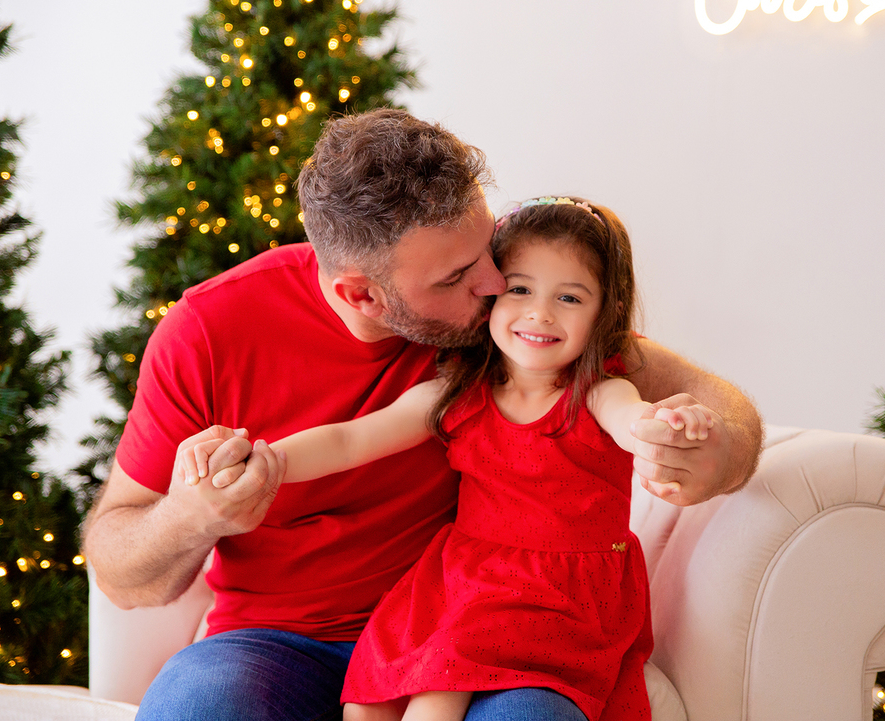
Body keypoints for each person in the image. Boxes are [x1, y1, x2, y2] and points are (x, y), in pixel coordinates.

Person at [82, 109, 764, 721]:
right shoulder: (208, 332)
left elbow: (705, 399)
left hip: (477, 622)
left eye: (487, 250)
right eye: (456, 278)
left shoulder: (508, 326)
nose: (494, 285)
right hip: (278, 644)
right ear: (363, 295)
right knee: (199, 706)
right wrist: (193, 514)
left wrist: (716, 450)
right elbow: (117, 563)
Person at [183, 196, 715, 721]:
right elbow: (351, 441)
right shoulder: (460, 393)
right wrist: (265, 459)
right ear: (490, 295)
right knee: (367, 705)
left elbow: (632, 421)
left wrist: (665, 425)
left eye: (570, 298)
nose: (540, 312)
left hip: (556, 595)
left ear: (607, 312)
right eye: (519, 289)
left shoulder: (599, 392)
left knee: (435, 697)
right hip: (464, 581)